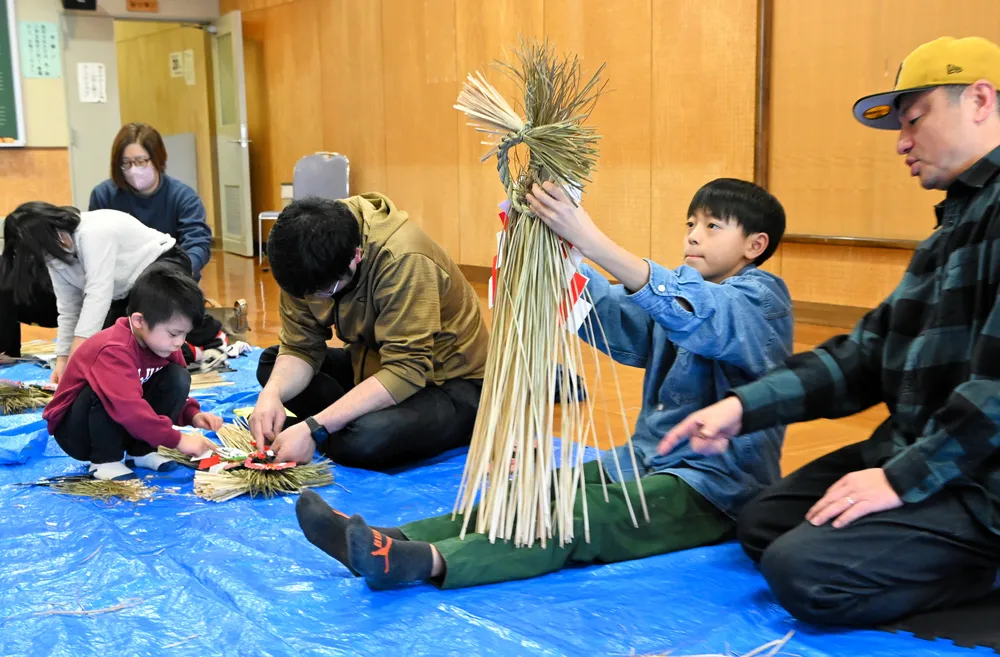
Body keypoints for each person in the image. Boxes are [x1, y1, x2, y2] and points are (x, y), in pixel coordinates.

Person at [292, 177, 793, 591]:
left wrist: (592, 239)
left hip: (713, 490)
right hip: (645, 462)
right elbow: (619, 320)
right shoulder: (688, 293)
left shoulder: (762, 300)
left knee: (576, 514)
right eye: (690, 224)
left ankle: (423, 562)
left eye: (711, 226)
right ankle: (388, 537)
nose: (693, 236)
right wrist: (547, 249)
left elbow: (696, 314)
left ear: (755, 245)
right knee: (535, 492)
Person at [658, 36, 1000, 628]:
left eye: (914, 119)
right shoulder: (955, 223)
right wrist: (744, 406)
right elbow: (865, 353)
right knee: (764, 521)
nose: (902, 142)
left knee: (806, 574)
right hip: (926, 446)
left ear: (979, 99)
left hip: (982, 478)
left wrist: (900, 480)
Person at [252, 194, 489, 471]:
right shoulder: (304, 257)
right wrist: (271, 395)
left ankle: (331, 428)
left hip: (447, 383)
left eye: (323, 292)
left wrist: (314, 427)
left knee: (362, 441)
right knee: (272, 365)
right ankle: (340, 423)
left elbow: (406, 370)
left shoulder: (405, 260)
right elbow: (300, 347)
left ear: (357, 255)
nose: (313, 299)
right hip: (370, 364)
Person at [0, 202, 225, 383]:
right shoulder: (55, 256)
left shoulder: (91, 233)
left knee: (150, 297)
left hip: (164, 263)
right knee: (112, 346)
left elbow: (98, 296)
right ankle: (189, 350)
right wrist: (63, 360)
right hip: (125, 291)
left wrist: (76, 362)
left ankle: (211, 335)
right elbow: (69, 309)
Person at [43, 265, 221, 481]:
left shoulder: (165, 346)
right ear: (138, 321)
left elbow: (169, 393)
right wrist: (178, 440)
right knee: (105, 392)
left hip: (127, 424)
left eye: (185, 334)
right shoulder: (114, 349)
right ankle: (105, 460)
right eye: (174, 333)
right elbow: (128, 407)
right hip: (78, 432)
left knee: (177, 376)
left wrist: (193, 415)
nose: (179, 343)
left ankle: (143, 451)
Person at [89, 122, 212, 280]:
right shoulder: (104, 195)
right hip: (121, 284)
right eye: (126, 163)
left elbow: (198, 244)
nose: (134, 170)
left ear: (157, 159)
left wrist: (179, 272)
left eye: (141, 162)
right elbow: (96, 246)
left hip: (172, 281)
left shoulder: (184, 197)